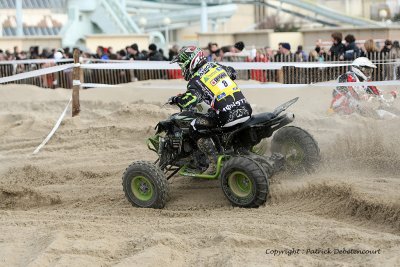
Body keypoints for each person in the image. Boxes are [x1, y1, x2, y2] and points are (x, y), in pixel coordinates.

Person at [168, 46, 252, 174]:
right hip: (245, 109)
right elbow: (233, 73)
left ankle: (214, 162)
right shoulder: (216, 66)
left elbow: (188, 101)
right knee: (213, 115)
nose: (182, 69)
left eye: (182, 65)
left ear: (190, 62)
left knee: (194, 126)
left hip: (226, 115)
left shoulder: (195, 80)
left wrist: (176, 99)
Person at [329, 57, 397, 115]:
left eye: (370, 70)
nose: (369, 73)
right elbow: (355, 96)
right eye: (367, 70)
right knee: (360, 106)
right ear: (358, 68)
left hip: (352, 105)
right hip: (339, 106)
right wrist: (370, 97)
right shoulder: (349, 77)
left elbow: (376, 92)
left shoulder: (365, 80)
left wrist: (388, 94)